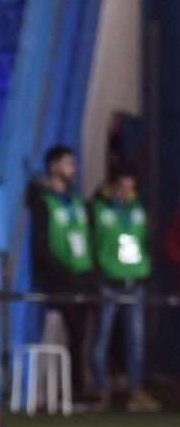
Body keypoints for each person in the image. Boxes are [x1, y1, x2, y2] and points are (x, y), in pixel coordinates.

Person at [27, 144, 97, 402]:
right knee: (61, 335)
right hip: (60, 281)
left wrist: (91, 273)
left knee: (82, 336)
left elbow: (89, 239)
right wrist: (61, 272)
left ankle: (78, 387)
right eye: (67, 162)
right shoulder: (44, 203)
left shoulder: (78, 201)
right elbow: (41, 246)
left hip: (83, 278)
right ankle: (57, 392)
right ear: (54, 165)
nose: (73, 168)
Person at [90, 169, 161, 411]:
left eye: (131, 187)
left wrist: (145, 271)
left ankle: (136, 391)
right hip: (109, 283)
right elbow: (93, 240)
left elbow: (145, 242)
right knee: (102, 339)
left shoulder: (138, 212)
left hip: (134, 285)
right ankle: (101, 390)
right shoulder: (100, 210)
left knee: (136, 340)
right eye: (122, 186)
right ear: (113, 187)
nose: (127, 192)